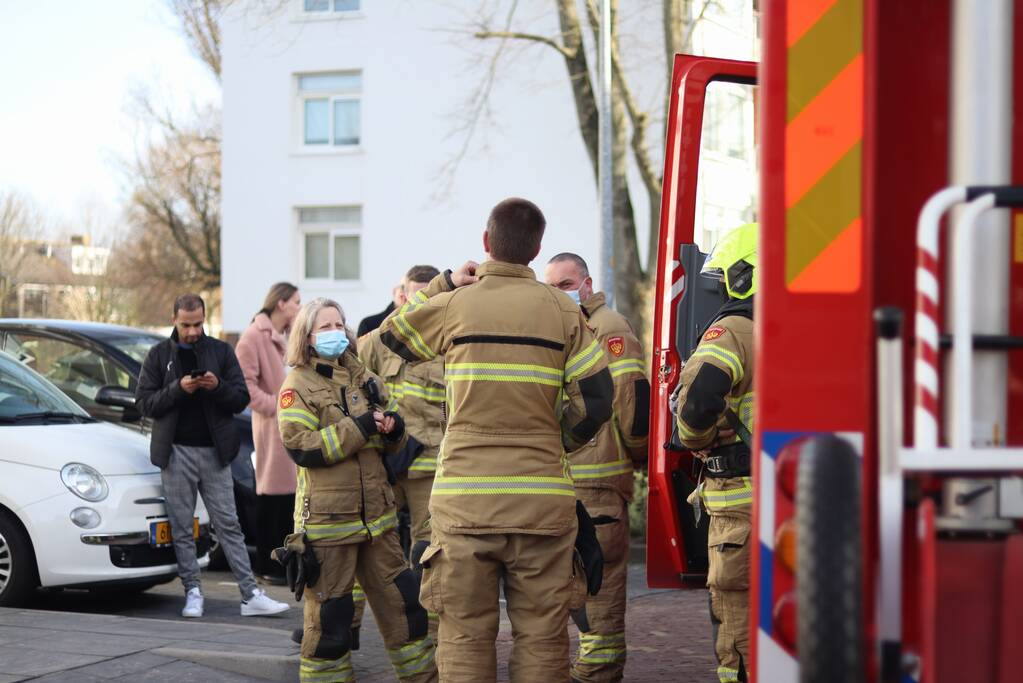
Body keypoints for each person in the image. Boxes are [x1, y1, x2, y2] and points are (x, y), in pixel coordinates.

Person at [379, 197, 615, 682]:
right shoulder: (563, 313)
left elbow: (392, 337)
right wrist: (555, 442)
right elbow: (597, 400)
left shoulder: (455, 305)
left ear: (487, 244)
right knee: (543, 638)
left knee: (464, 636)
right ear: (536, 250)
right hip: (542, 505)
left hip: (465, 505)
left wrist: (446, 282)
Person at [277, 298, 437, 683]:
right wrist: (361, 428)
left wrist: (393, 429)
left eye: (339, 324)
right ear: (308, 337)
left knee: (406, 611)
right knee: (331, 625)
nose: (336, 332)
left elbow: (393, 431)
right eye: (325, 327)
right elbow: (301, 446)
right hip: (329, 526)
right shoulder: (297, 385)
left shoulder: (363, 378)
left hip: (378, 523)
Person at [136, 293, 289, 619]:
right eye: (186, 324)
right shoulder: (159, 354)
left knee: (229, 524)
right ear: (174, 319)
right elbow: (146, 404)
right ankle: (193, 591)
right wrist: (179, 388)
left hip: (215, 453)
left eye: (198, 324)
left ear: (205, 319)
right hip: (175, 452)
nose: (192, 331)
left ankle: (250, 595)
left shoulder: (220, 351)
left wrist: (216, 385)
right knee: (181, 526)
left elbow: (239, 399)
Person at [544, 253, 649, 683]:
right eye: (552, 285)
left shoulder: (609, 328)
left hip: (599, 481)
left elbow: (631, 402)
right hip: (561, 482)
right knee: (569, 583)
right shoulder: (558, 327)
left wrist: (637, 457)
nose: (559, 292)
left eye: (566, 283)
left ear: (587, 284)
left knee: (600, 584)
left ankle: (598, 671)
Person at [673, 223, 756, 683]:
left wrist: (693, 438)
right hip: (796, 492)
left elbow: (699, 401)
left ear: (742, 277)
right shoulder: (804, 327)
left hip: (739, 503)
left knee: (735, 615)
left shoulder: (733, 329)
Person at [359, 264, 445, 637]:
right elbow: (353, 367)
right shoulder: (384, 336)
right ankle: (343, 627)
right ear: (403, 294)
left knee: (431, 553)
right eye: (415, 293)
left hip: (430, 465)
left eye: (429, 293)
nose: (421, 301)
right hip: (388, 461)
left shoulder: (448, 336)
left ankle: (428, 630)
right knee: (366, 544)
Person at [236, 282, 302, 585]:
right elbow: (246, 386)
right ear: (281, 303)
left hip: (289, 426)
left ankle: (281, 563)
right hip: (271, 426)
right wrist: (276, 406)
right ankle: (266, 564)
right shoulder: (253, 337)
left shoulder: (286, 336)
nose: (299, 308)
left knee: (288, 497)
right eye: (296, 302)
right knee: (271, 496)